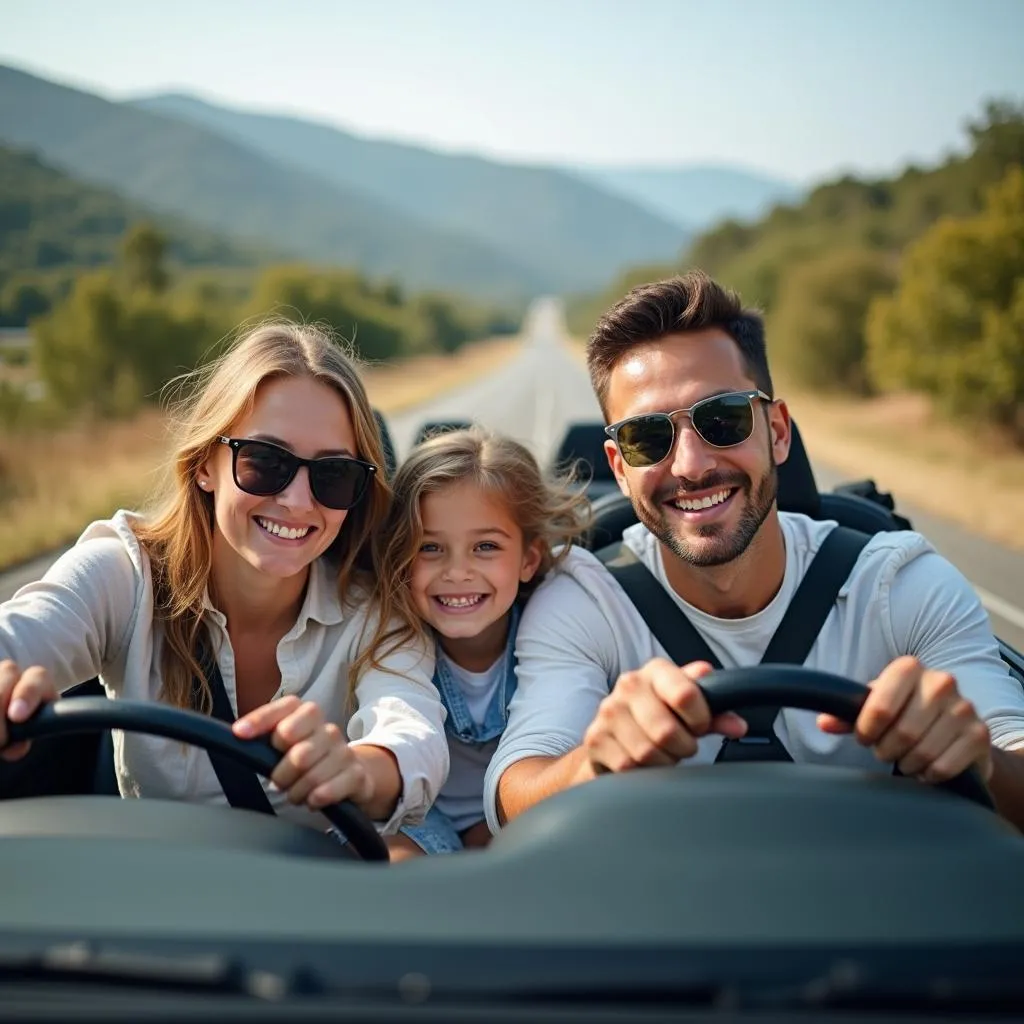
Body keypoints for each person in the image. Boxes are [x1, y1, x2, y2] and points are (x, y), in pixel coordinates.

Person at [484, 270, 1024, 834]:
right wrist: (592, 762)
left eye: (722, 419)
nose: (691, 466)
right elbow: (511, 796)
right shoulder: (584, 599)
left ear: (778, 431)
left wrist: (978, 754)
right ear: (620, 468)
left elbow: (1013, 752)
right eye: (648, 438)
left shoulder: (898, 585)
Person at [0, 319, 448, 836]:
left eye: (334, 474)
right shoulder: (125, 573)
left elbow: (412, 732)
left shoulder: (376, 611)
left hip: (304, 905)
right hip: (158, 895)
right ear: (204, 464)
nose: (298, 502)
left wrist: (361, 770)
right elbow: (23, 630)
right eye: (264, 461)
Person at [361, 427, 590, 860]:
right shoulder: (390, 639)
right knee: (390, 858)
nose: (457, 572)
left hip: (524, 813)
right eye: (430, 548)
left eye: (485, 546)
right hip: (418, 817)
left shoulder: (558, 633)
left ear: (528, 559)